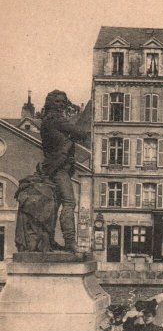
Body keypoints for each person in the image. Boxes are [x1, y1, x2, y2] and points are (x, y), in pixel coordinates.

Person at [40, 90, 90, 253]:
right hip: (59, 168)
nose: (61, 104)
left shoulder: (47, 120)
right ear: (50, 103)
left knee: (55, 205)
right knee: (69, 202)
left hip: (55, 167)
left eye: (63, 101)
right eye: (57, 101)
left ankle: (48, 241)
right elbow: (81, 133)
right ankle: (69, 242)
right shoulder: (56, 119)